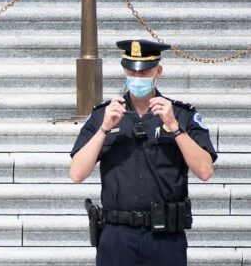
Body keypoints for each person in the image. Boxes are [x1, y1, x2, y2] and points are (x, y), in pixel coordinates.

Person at [70, 38, 216, 265]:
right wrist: (104, 129)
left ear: (158, 71)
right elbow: (77, 173)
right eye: (132, 72)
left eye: (144, 73)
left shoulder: (181, 114)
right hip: (117, 236)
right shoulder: (103, 114)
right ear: (124, 71)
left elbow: (205, 171)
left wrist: (175, 127)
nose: (137, 79)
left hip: (165, 238)